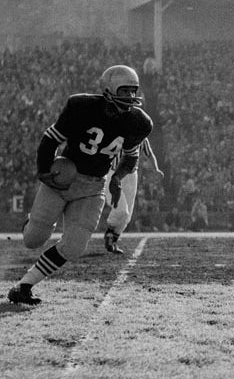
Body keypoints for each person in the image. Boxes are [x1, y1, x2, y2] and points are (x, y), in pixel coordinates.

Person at [8, 64, 153, 306]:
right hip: (62, 178)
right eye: (124, 91)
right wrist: (44, 170)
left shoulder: (139, 122)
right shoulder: (81, 106)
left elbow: (131, 157)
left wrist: (117, 178)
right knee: (33, 239)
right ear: (108, 90)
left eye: (132, 91)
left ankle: (24, 286)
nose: (130, 97)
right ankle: (31, 223)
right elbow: (50, 139)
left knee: (74, 246)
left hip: (94, 186)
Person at [103, 136, 162, 254]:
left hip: (131, 176)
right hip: (114, 173)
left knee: (127, 215)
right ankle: (109, 231)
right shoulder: (117, 133)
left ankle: (113, 240)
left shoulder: (142, 137)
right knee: (121, 209)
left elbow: (149, 154)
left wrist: (155, 169)